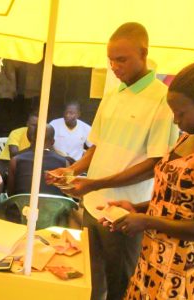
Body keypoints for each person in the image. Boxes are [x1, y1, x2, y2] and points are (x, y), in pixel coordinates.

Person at [46, 23, 179, 300]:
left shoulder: (161, 100)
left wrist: (94, 184)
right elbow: (97, 146)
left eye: (122, 59)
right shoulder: (112, 94)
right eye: (111, 60)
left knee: (121, 283)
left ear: (143, 54)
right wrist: (71, 171)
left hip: (124, 212)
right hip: (92, 206)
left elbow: (155, 163)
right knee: (90, 281)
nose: (115, 66)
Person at [102, 61, 194, 299]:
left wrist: (146, 221)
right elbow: (174, 203)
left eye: (181, 113)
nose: (176, 120)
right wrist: (136, 209)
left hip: (183, 269)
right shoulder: (185, 139)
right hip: (154, 257)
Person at [7, 124, 73, 196]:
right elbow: (67, 193)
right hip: (56, 206)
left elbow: (10, 194)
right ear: (53, 142)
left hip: (23, 205)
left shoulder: (15, 161)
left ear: (32, 139)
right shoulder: (65, 163)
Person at [0, 112, 38, 181]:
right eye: (34, 125)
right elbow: (13, 155)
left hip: (27, 164)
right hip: (6, 163)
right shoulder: (16, 133)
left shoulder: (43, 136)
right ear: (27, 124)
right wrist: (32, 147)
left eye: (39, 126)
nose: (36, 128)